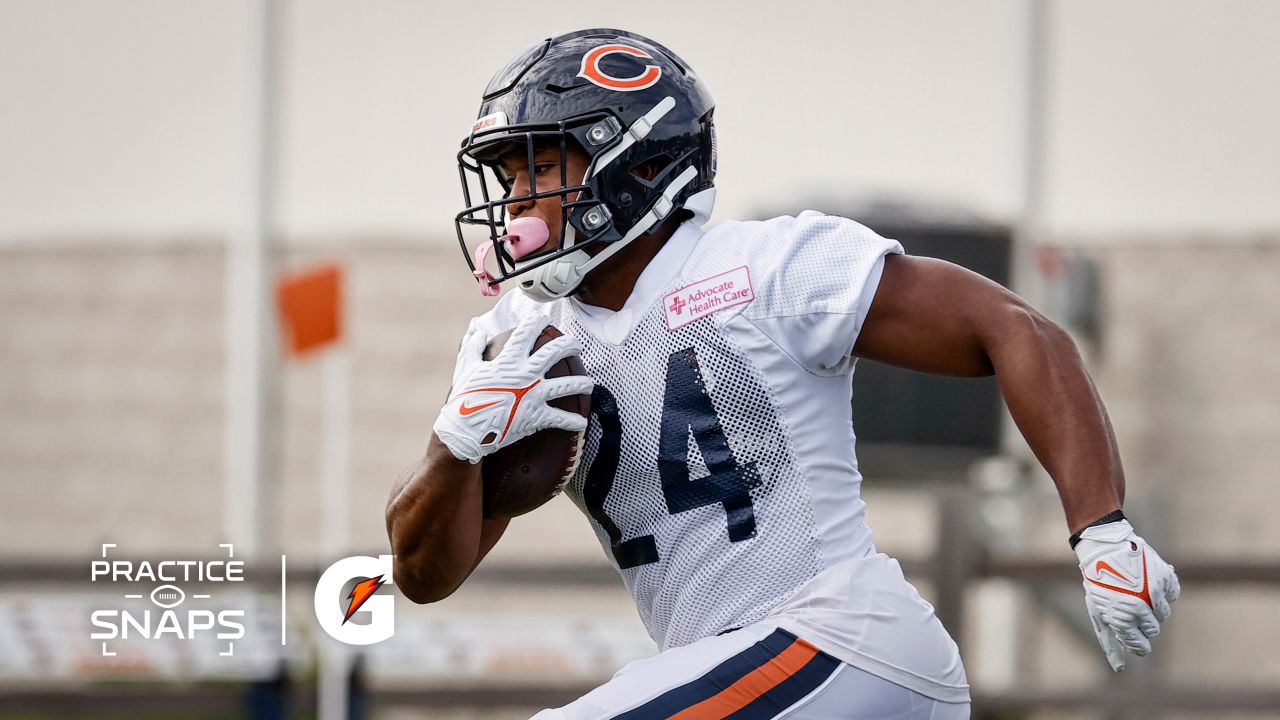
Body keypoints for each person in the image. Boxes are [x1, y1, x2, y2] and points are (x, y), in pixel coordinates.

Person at [386, 28, 1180, 720]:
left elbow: (1016, 328)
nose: (519, 200)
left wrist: (1101, 528)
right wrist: (453, 445)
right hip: (750, 676)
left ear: (628, 161)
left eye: (538, 168)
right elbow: (424, 577)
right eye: (510, 179)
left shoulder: (768, 267)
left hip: (842, 641)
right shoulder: (516, 339)